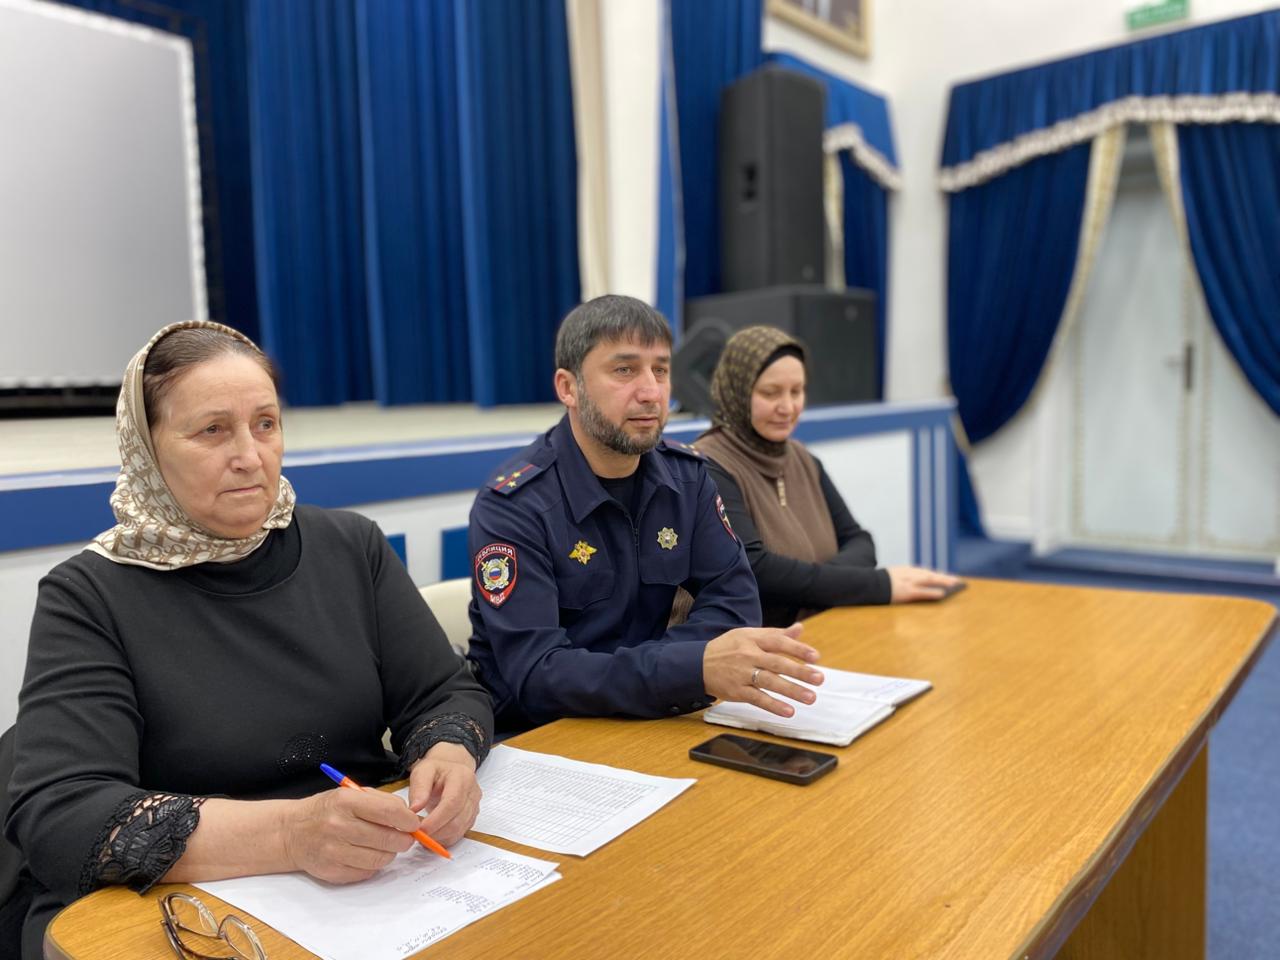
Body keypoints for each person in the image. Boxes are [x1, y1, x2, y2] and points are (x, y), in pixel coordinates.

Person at [3, 321, 492, 959]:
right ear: (146, 448)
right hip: (184, 909)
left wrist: (449, 756)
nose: (250, 456)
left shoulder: (350, 547)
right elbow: (63, 813)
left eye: (265, 424)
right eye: (212, 430)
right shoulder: (89, 595)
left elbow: (444, 691)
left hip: (374, 884)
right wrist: (290, 835)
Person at [465, 296, 824, 736]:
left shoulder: (688, 478)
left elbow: (735, 605)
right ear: (568, 387)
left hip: (652, 716)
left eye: (661, 370)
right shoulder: (514, 505)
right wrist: (688, 667)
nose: (652, 392)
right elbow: (538, 674)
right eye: (624, 370)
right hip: (541, 735)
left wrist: (677, 671)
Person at [694, 325, 959, 628]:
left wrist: (815, 584)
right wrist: (876, 586)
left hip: (823, 624)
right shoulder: (710, 465)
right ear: (736, 392)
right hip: (760, 642)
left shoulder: (803, 458)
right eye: (770, 393)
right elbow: (756, 571)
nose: (787, 407)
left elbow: (860, 541)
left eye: (797, 391)